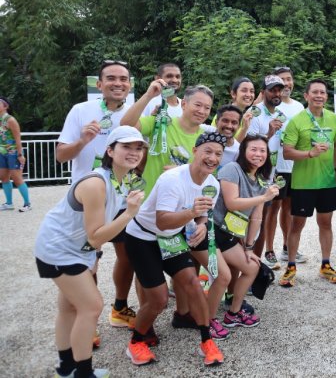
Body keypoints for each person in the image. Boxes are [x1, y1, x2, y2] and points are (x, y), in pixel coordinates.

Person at [35, 126, 147, 378]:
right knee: (92, 306)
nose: (134, 152)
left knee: (69, 308)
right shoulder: (97, 183)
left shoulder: (120, 179)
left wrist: (92, 256)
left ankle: (66, 369)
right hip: (59, 249)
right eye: (126, 147)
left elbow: (95, 233)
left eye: (138, 147)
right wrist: (130, 213)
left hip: (74, 249)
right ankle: (82, 373)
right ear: (110, 150)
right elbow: (96, 235)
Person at [123, 132, 227, 367]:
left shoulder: (212, 184)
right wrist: (192, 213)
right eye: (207, 152)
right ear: (195, 152)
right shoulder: (173, 179)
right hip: (143, 237)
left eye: (218, 154)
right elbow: (163, 221)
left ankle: (206, 340)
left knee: (193, 283)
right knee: (158, 299)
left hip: (171, 237)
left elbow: (202, 214)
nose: (212, 158)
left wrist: (201, 225)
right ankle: (136, 341)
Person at [56, 59, 135, 337]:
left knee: (129, 256)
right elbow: (60, 155)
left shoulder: (138, 111)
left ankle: (120, 308)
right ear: (99, 84)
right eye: (111, 78)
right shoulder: (81, 110)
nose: (118, 83)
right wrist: (82, 142)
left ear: (129, 85)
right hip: (89, 200)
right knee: (89, 258)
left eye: (123, 79)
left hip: (123, 199)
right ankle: (87, 322)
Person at [279, 79, 336, 287]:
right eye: (314, 92)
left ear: (326, 96)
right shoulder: (297, 120)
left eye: (322, 92)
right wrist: (309, 153)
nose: (319, 96)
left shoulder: (333, 119)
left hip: (326, 182)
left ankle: (325, 264)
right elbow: (287, 152)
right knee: (297, 225)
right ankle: (290, 266)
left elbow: (335, 145)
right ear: (306, 96)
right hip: (303, 183)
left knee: (326, 223)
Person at [215, 134, 279, 324]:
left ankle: (233, 313)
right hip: (213, 230)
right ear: (243, 151)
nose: (258, 154)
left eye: (262, 150)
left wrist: (249, 248)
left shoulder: (262, 179)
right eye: (253, 149)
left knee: (252, 267)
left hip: (230, 234)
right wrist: (264, 198)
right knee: (223, 277)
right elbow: (232, 203)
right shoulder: (232, 169)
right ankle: (206, 320)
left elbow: (256, 217)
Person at [120, 83, 214, 197]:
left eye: (207, 108)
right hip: (148, 203)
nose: (202, 111)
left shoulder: (206, 140)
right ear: (184, 104)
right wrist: (148, 96)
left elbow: (205, 176)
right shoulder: (161, 123)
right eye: (198, 105)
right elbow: (126, 125)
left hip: (179, 208)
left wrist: (183, 171)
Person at [266, 66, 308, 268]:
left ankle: (286, 247)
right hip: (275, 166)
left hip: (294, 165)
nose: (286, 84)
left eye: (289, 79)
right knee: (271, 208)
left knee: (289, 208)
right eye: (282, 80)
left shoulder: (299, 106)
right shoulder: (268, 106)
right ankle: (268, 250)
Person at [247, 75, 287, 259]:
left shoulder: (280, 113)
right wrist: (269, 133)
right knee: (249, 221)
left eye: (279, 89)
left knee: (261, 221)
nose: (276, 93)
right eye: (272, 90)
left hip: (270, 174)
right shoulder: (254, 112)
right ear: (263, 93)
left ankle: (256, 264)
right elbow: (249, 146)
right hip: (253, 175)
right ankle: (244, 263)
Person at [0, 96, 31, 212]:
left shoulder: (11, 120)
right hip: (2, 152)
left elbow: (18, 139)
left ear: (5, 106)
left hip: (13, 153)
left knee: (17, 178)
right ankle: (9, 203)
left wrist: (20, 154)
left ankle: (27, 203)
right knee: (3, 177)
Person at [210, 105, 243, 170]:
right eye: (225, 121)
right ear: (216, 122)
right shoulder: (204, 137)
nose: (229, 126)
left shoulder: (239, 153)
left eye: (234, 123)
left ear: (238, 126)